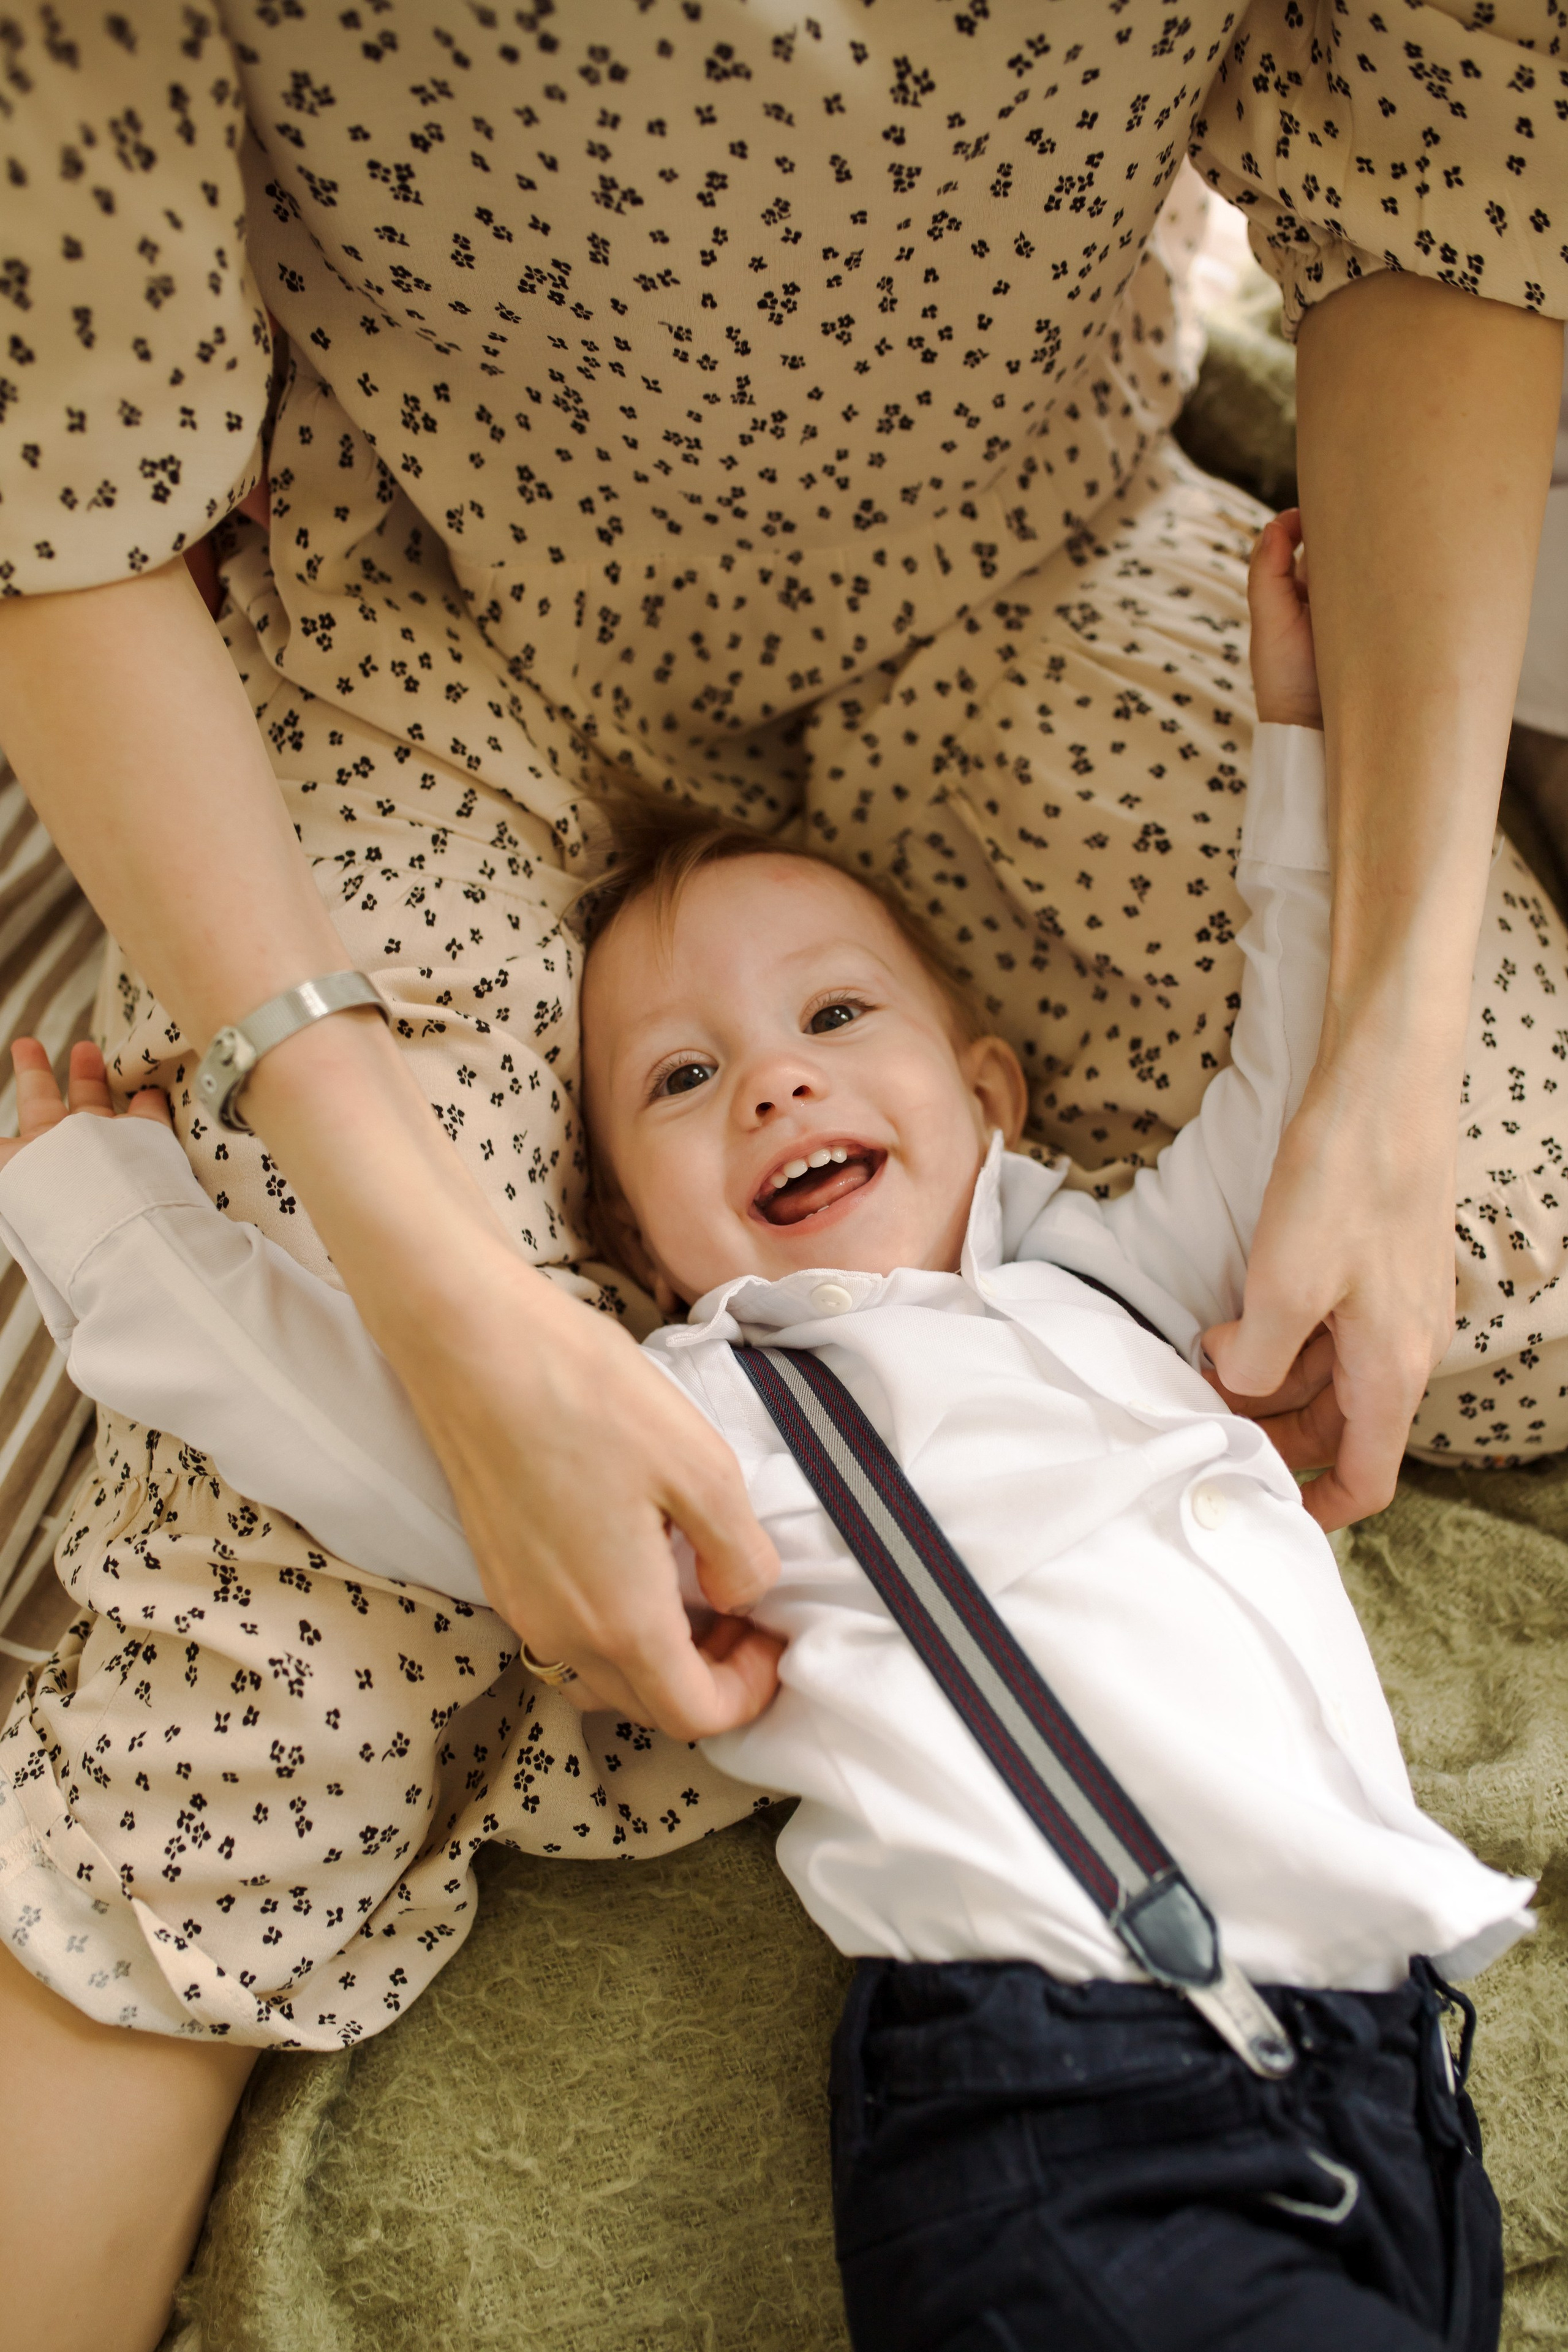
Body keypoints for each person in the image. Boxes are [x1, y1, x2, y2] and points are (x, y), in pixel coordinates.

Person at [0, 7, 1564, 2345]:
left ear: (998, 1093)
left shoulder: (1111, 1282)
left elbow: (1277, 1114)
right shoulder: (700, 1426)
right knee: (263, 1623)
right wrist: (113, 1216)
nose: (770, 1092)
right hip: (1058, 2079)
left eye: (838, 1025)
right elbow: (344, 1422)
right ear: (619, 1243)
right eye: (681, 1086)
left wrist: (1313, 786)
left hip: (1367, 2049)